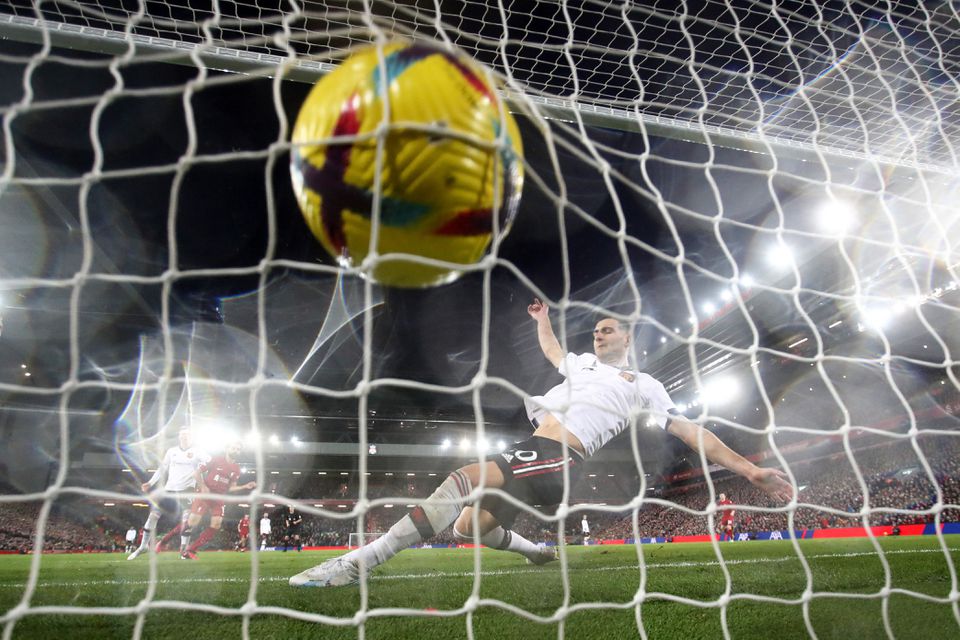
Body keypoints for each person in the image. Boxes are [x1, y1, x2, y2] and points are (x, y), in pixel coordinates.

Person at [289, 298, 793, 587]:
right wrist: (543, 323)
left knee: (461, 478)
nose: (598, 336)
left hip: (560, 458)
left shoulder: (644, 386)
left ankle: (357, 564)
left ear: (628, 337)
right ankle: (536, 552)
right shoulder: (582, 363)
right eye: (595, 331)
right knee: (469, 528)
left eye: (607, 331)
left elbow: (690, 431)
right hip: (538, 457)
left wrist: (749, 470)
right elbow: (555, 352)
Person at [128, 427, 210, 560]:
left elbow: (210, 462)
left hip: (187, 491)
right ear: (179, 437)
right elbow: (162, 468)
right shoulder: (172, 451)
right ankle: (143, 546)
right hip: (169, 490)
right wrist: (150, 483)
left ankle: (184, 551)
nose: (184, 437)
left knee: (187, 522)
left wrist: (203, 477)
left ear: (192, 437)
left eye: (187, 435)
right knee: (153, 516)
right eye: (182, 434)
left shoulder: (198, 451)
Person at [179, 441, 256, 559]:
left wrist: (245, 486)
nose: (236, 450)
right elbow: (197, 472)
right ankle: (177, 536)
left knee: (216, 524)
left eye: (238, 449)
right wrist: (203, 486)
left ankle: (191, 550)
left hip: (219, 498)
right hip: (206, 494)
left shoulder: (236, 469)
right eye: (233, 448)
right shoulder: (216, 460)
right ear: (227, 448)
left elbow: (231, 487)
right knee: (192, 522)